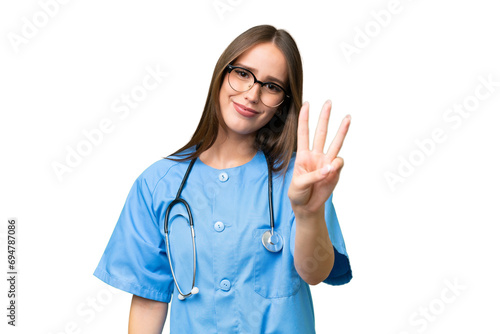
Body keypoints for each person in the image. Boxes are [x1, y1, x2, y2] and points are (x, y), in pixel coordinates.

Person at [93, 24, 353, 333]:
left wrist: (308, 213)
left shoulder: (300, 179)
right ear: (222, 73)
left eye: (271, 86)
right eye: (243, 73)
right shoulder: (157, 184)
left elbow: (314, 272)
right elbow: (150, 298)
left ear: (283, 102)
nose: (252, 94)